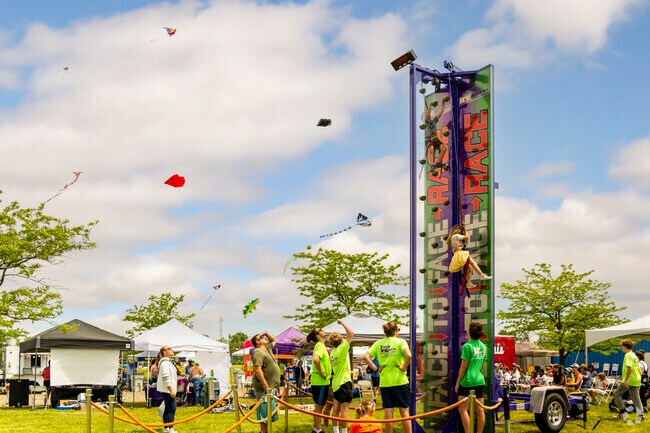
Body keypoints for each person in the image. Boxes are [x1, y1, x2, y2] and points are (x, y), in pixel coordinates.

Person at [363, 321, 412, 433]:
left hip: (385, 382)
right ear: (395, 331)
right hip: (400, 381)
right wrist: (404, 368)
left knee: (388, 412)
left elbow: (366, 357)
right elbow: (409, 355)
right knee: (404, 411)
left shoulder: (378, 343)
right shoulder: (401, 341)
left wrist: (376, 369)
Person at [454, 322, 487, 433]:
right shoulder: (483, 346)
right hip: (479, 380)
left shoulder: (467, 346)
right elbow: (482, 364)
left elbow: (463, 366)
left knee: (462, 409)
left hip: (467, 381)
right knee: (480, 410)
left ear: (470, 332)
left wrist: (458, 383)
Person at [251, 331, 281, 433]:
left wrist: (266, 333)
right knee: (264, 409)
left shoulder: (267, 349)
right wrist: (265, 384)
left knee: (270, 410)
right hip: (264, 387)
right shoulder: (257, 352)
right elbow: (257, 368)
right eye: (260, 338)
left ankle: (266, 430)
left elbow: (274, 340)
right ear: (258, 342)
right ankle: (263, 431)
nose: (264, 338)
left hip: (270, 386)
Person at [329, 320, 354, 433]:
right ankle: (344, 432)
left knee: (336, 410)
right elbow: (350, 333)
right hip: (344, 382)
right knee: (344, 411)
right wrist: (343, 323)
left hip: (335, 384)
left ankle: (335, 431)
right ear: (341, 340)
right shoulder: (342, 349)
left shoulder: (332, 353)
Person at [307, 327, 332, 433]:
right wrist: (322, 373)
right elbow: (316, 359)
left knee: (318, 406)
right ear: (318, 335)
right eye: (320, 329)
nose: (323, 330)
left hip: (319, 381)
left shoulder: (321, 346)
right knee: (319, 407)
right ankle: (318, 430)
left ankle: (315, 429)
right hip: (320, 381)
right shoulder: (320, 346)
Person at [614, 339, 644, 424]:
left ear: (625, 346)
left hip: (630, 379)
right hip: (636, 379)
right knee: (636, 399)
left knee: (617, 394)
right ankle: (641, 416)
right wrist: (638, 381)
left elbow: (629, 368)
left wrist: (626, 380)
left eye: (622, 346)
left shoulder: (628, 355)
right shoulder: (635, 356)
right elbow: (640, 370)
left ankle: (623, 412)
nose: (621, 348)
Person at [157, 346, 178, 433]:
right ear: (164, 352)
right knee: (172, 408)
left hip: (166, 389)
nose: (171, 349)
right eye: (169, 349)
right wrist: (171, 390)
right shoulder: (165, 363)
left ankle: (166, 428)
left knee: (167, 408)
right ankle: (170, 428)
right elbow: (165, 377)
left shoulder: (166, 362)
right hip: (167, 390)